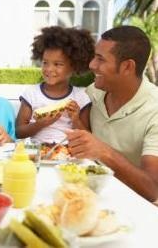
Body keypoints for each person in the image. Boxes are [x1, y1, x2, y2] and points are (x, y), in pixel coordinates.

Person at [66, 26, 158, 202]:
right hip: (92, 195)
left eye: (100, 59)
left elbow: (153, 190)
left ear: (127, 67)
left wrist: (104, 152)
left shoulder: (155, 110)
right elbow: (83, 138)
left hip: (136, 208)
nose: (92, 65)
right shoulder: (94, 92)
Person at [16, 26, 95, 143]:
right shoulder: (32, 93)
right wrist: (40, 124)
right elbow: (18, 132)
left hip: (69, 155)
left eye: (57, 64)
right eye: (45, 63)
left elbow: (88, 137)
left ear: (74, 66)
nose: (49, 69)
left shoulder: (80, 97)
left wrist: (76, 120)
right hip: (38, 154)